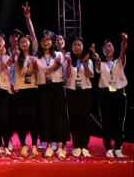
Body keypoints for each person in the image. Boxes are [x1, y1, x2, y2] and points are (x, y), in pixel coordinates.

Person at [36, 31, 69, 159]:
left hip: (57, 87)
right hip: (43, 88)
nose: (46, 42)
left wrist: (49, 69)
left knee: (59, 116)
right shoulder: (37, 57)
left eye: (48, 40)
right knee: (46, 116)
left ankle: (60, 146)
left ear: (52, 42)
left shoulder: (59, 54)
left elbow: (61, 69)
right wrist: (50, 68)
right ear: (40, 43)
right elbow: (40, 71)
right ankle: (49, 145)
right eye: (43, 40)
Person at [95, 33, 128, 158]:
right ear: (103, 51)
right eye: (105, 47)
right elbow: (97, 65)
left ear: (114, 49)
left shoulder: (119, 61)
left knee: (119, 121)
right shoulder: (101, 63)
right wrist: (96, 57)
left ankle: (118, 147)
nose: (108, 48)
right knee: (106, 122)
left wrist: (123, 42)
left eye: (110, 46)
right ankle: (108, 148)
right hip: (105, 94)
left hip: (119, 93)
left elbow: (123, 51)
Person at [65, 37, 95, 158]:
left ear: (82, 47)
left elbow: (90, 75)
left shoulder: (88, 60)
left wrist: (85, 64)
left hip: (85, 91)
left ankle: (85, 146)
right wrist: (68, 63)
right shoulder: (68, 59)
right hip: (72, 91)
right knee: (74, 118)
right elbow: (66, 76)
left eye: (79, 45)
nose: (77, 47)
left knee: (85, 118)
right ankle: (77, 145)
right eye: (74, 45)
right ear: (72, 47)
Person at [12, 34, 40, 158]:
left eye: (25, 42)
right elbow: (20, 72)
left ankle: (34, 145)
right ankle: (23, 144)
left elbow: (37, 72)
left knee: (33, 118)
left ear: (30, 43)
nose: (24, 44)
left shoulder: (35, 57)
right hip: (20, 90)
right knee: (21, 119)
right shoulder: (16, 56)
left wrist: (32, 65)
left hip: (33, 89)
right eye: (21, 42)